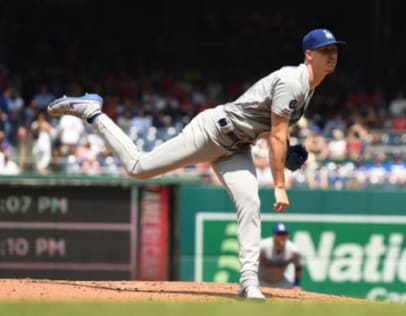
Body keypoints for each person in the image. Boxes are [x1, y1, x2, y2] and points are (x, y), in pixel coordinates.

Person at [47, 28, 346, 300]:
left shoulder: (309, 88)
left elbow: (274, 130)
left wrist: (288, 148)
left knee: (251, 203)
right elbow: (277, 135)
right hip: (211, 132)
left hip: (237, 146)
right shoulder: (293, 81)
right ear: (309, 54)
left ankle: (248, 284)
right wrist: (280, 184)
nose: (331, 56)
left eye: (334, 50)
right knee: (138, 168)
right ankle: (92, 112)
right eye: (325, 51)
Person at [258, 223, 302, 290]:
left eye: (284, 234)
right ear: (274, 235)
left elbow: (298, 267)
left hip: (280, 281)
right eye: (280, 234)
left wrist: (296, 284)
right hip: (261, 280)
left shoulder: (293, 250)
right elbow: (251, 261)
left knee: (297, 292)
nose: (282, 236)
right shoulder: (263, 247)